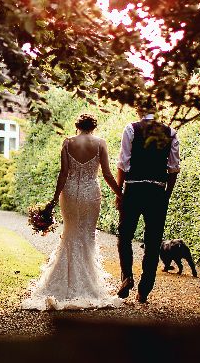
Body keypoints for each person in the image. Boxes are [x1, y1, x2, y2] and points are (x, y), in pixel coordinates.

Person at [21, 112, 123, 310]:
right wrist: (120, 194)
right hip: (91, 194)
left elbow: (64, 173)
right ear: (93, 127)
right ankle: (88, 285)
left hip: (69, 194)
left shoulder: (67, 143)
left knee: (70, 234)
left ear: (77, 125)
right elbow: (108, 174)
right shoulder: (100, 143)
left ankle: (61, 284)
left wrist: (53, 199)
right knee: (87, 236)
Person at [115, 112, 181, 303]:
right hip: (157, 191)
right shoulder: (170, 132)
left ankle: (127, 276)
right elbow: (173, 168)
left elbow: (123, 164)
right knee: (153, 243)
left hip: (134, 189)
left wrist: (120, 193)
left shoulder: (131, 129)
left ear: (137, 109)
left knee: (125, 235)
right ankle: (144, 289)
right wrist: (166, 195)